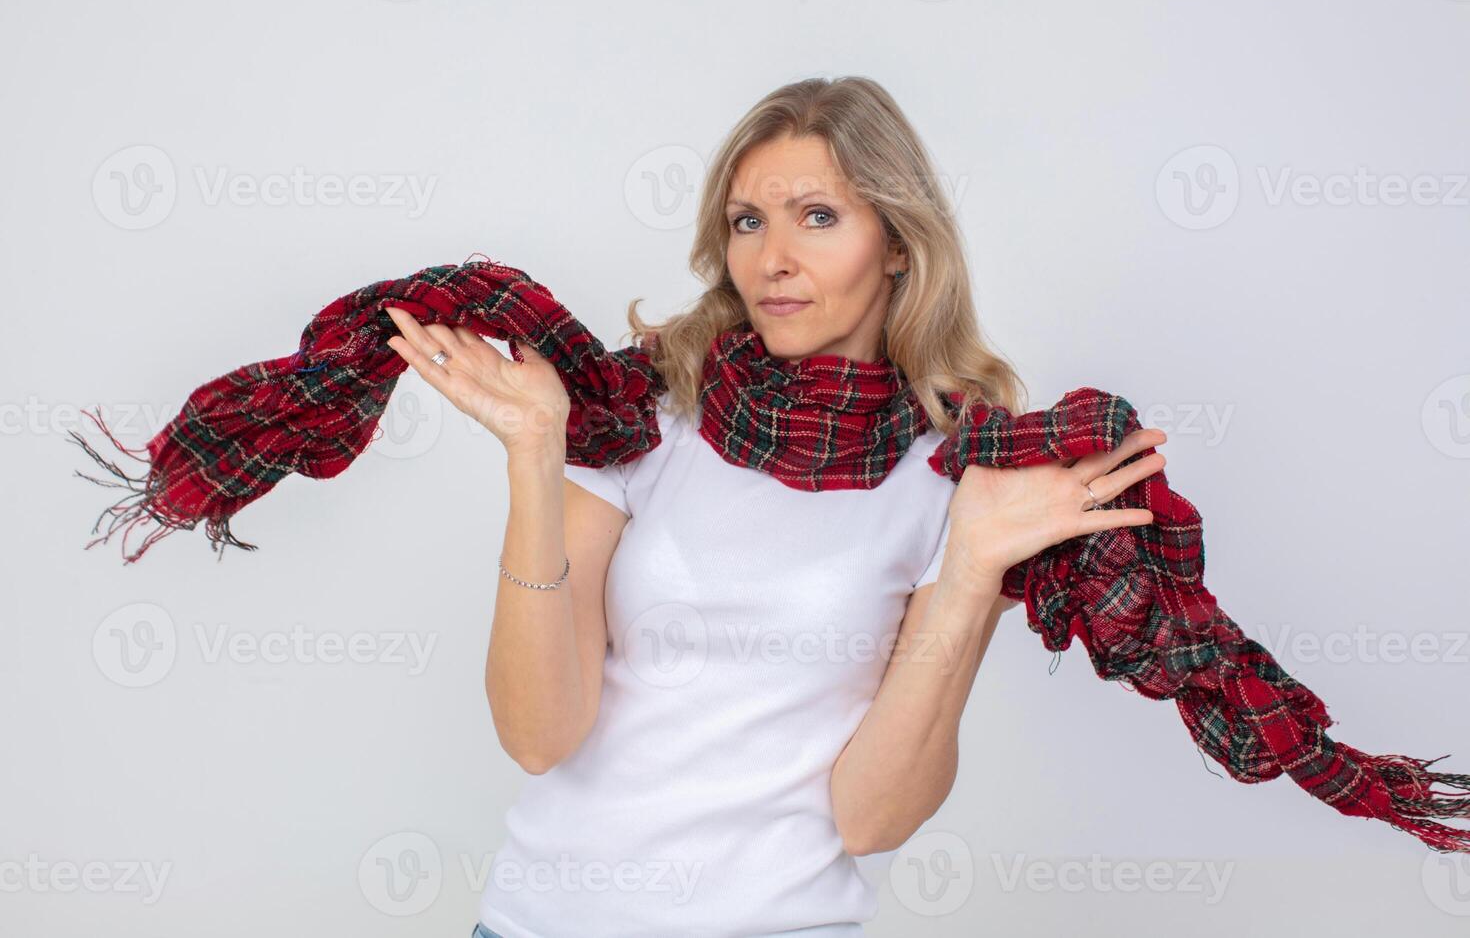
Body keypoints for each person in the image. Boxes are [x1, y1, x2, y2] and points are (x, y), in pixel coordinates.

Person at [385, 76, 1163, 938]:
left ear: (898, 243)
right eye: (748, 220)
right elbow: (536, 736)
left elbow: (875, 820)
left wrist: (976, 566)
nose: (772, 259)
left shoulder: (953, 476)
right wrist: (538, 452)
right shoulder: (646, 412)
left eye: (818, 217)